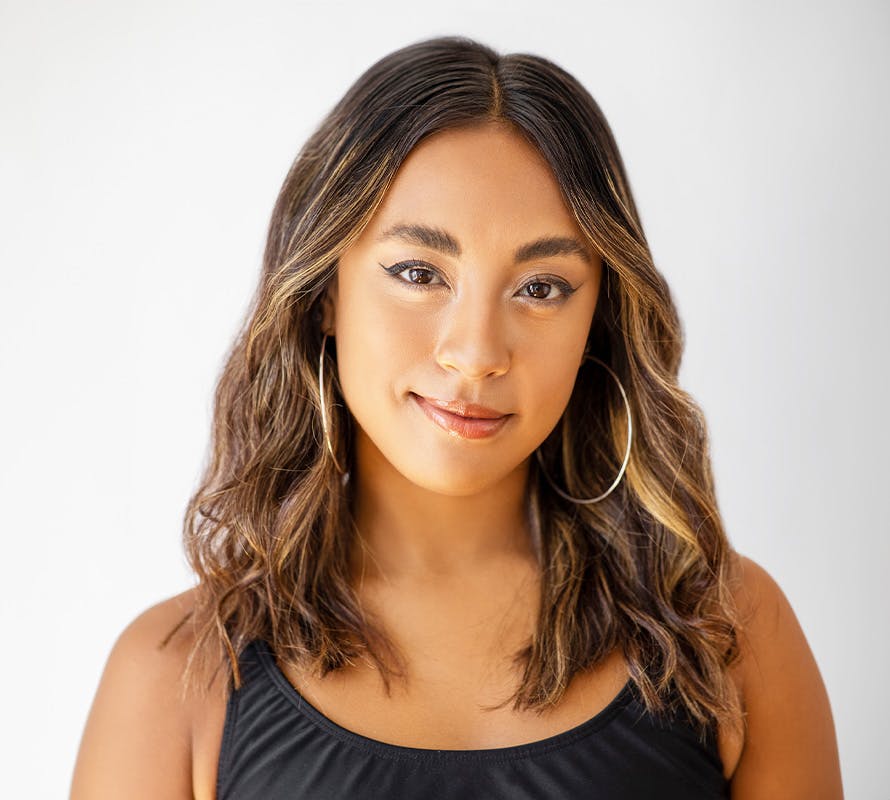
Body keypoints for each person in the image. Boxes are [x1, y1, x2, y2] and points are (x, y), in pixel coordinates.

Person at [70, 36, 843, 799]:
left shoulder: (730, 634)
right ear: (324, 291)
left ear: (598, 321)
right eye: (418, 273)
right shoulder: (173, 680)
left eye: (542, 287)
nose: (475, 353)